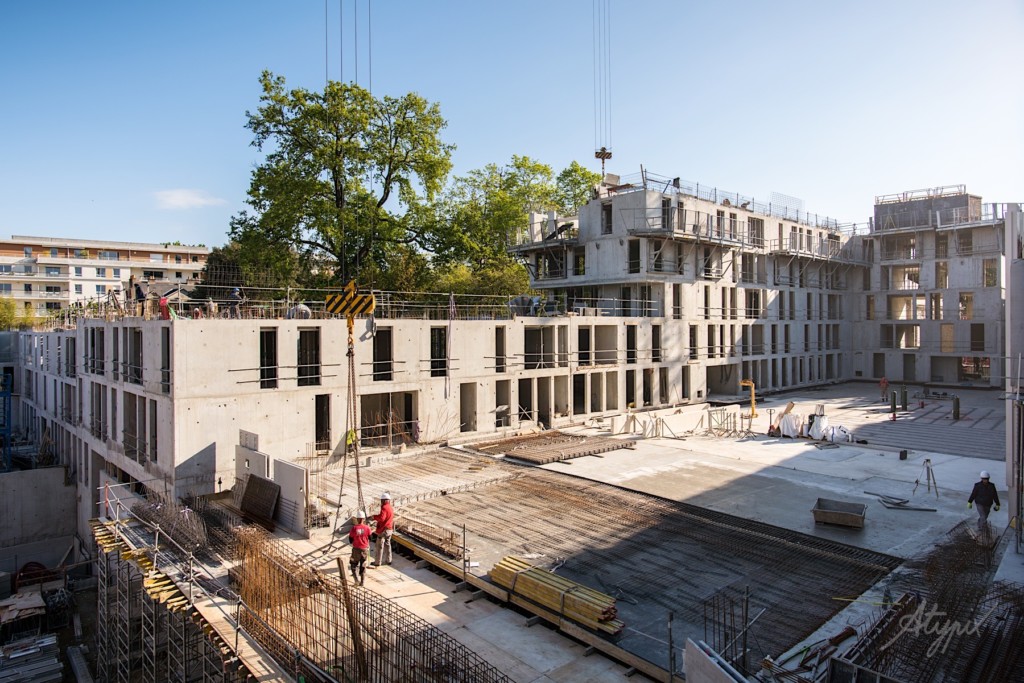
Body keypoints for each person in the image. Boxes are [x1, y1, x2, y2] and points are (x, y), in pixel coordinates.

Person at [348, 510, 371, 586]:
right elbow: (370, 538)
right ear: (363, 519)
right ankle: (362, 582)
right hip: (364, 550)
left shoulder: (354, 528)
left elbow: (350, 540)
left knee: (353, 564)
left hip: (356, 550)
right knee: (363, 565)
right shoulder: (367, 528)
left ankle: (356, 581)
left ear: (357, 519)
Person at [372, 492, 394, 566]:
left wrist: (374, 517)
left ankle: (377, 562)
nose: (381, 502)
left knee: (379, 546)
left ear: (384, 500)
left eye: (381, 501)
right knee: (388, 545)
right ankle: (389, 560)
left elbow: (382, 518)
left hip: (384, 530)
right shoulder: (390, 507)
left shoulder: (384, 507)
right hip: (390, 529)